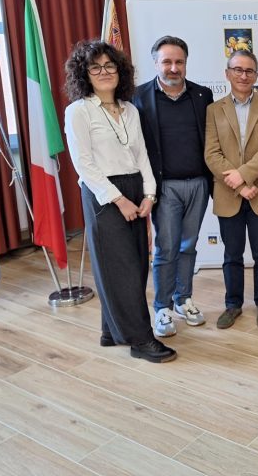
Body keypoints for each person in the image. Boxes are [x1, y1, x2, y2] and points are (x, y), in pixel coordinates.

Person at [63, 39, 176, 363]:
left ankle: (111, 331)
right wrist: (119, 200)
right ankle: (140, 340)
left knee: (136, 265)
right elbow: (84, 164)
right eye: (95, 67)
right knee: (121, 268)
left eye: (109, 65)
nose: (104, 72)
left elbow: (141, 155)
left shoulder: (130, 109)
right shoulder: (78, 111)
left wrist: (149, 195)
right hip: (103, 193)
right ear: (84, 73)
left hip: (135, 186)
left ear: (120, 70)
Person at [133, 35, 213, 338]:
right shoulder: (138, 97)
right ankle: (162, 307)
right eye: (167, 61)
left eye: (179, 61)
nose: (174, 67)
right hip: (164, 187)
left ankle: (183, 300)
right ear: (156, 63)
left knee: (188, 246)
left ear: (186, 63)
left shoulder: (202, 95)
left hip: (198, 184)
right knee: (166, 248)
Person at [204, 50, 258, 329]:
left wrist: (244, 177)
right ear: (227, 74)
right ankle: (233, 305)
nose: (243, 75)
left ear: (256, 76)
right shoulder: (213, 110)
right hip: (229, 194)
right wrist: (240, 185)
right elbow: (211, 153)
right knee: (231, 255)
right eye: (237, 69)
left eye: (249, 71)